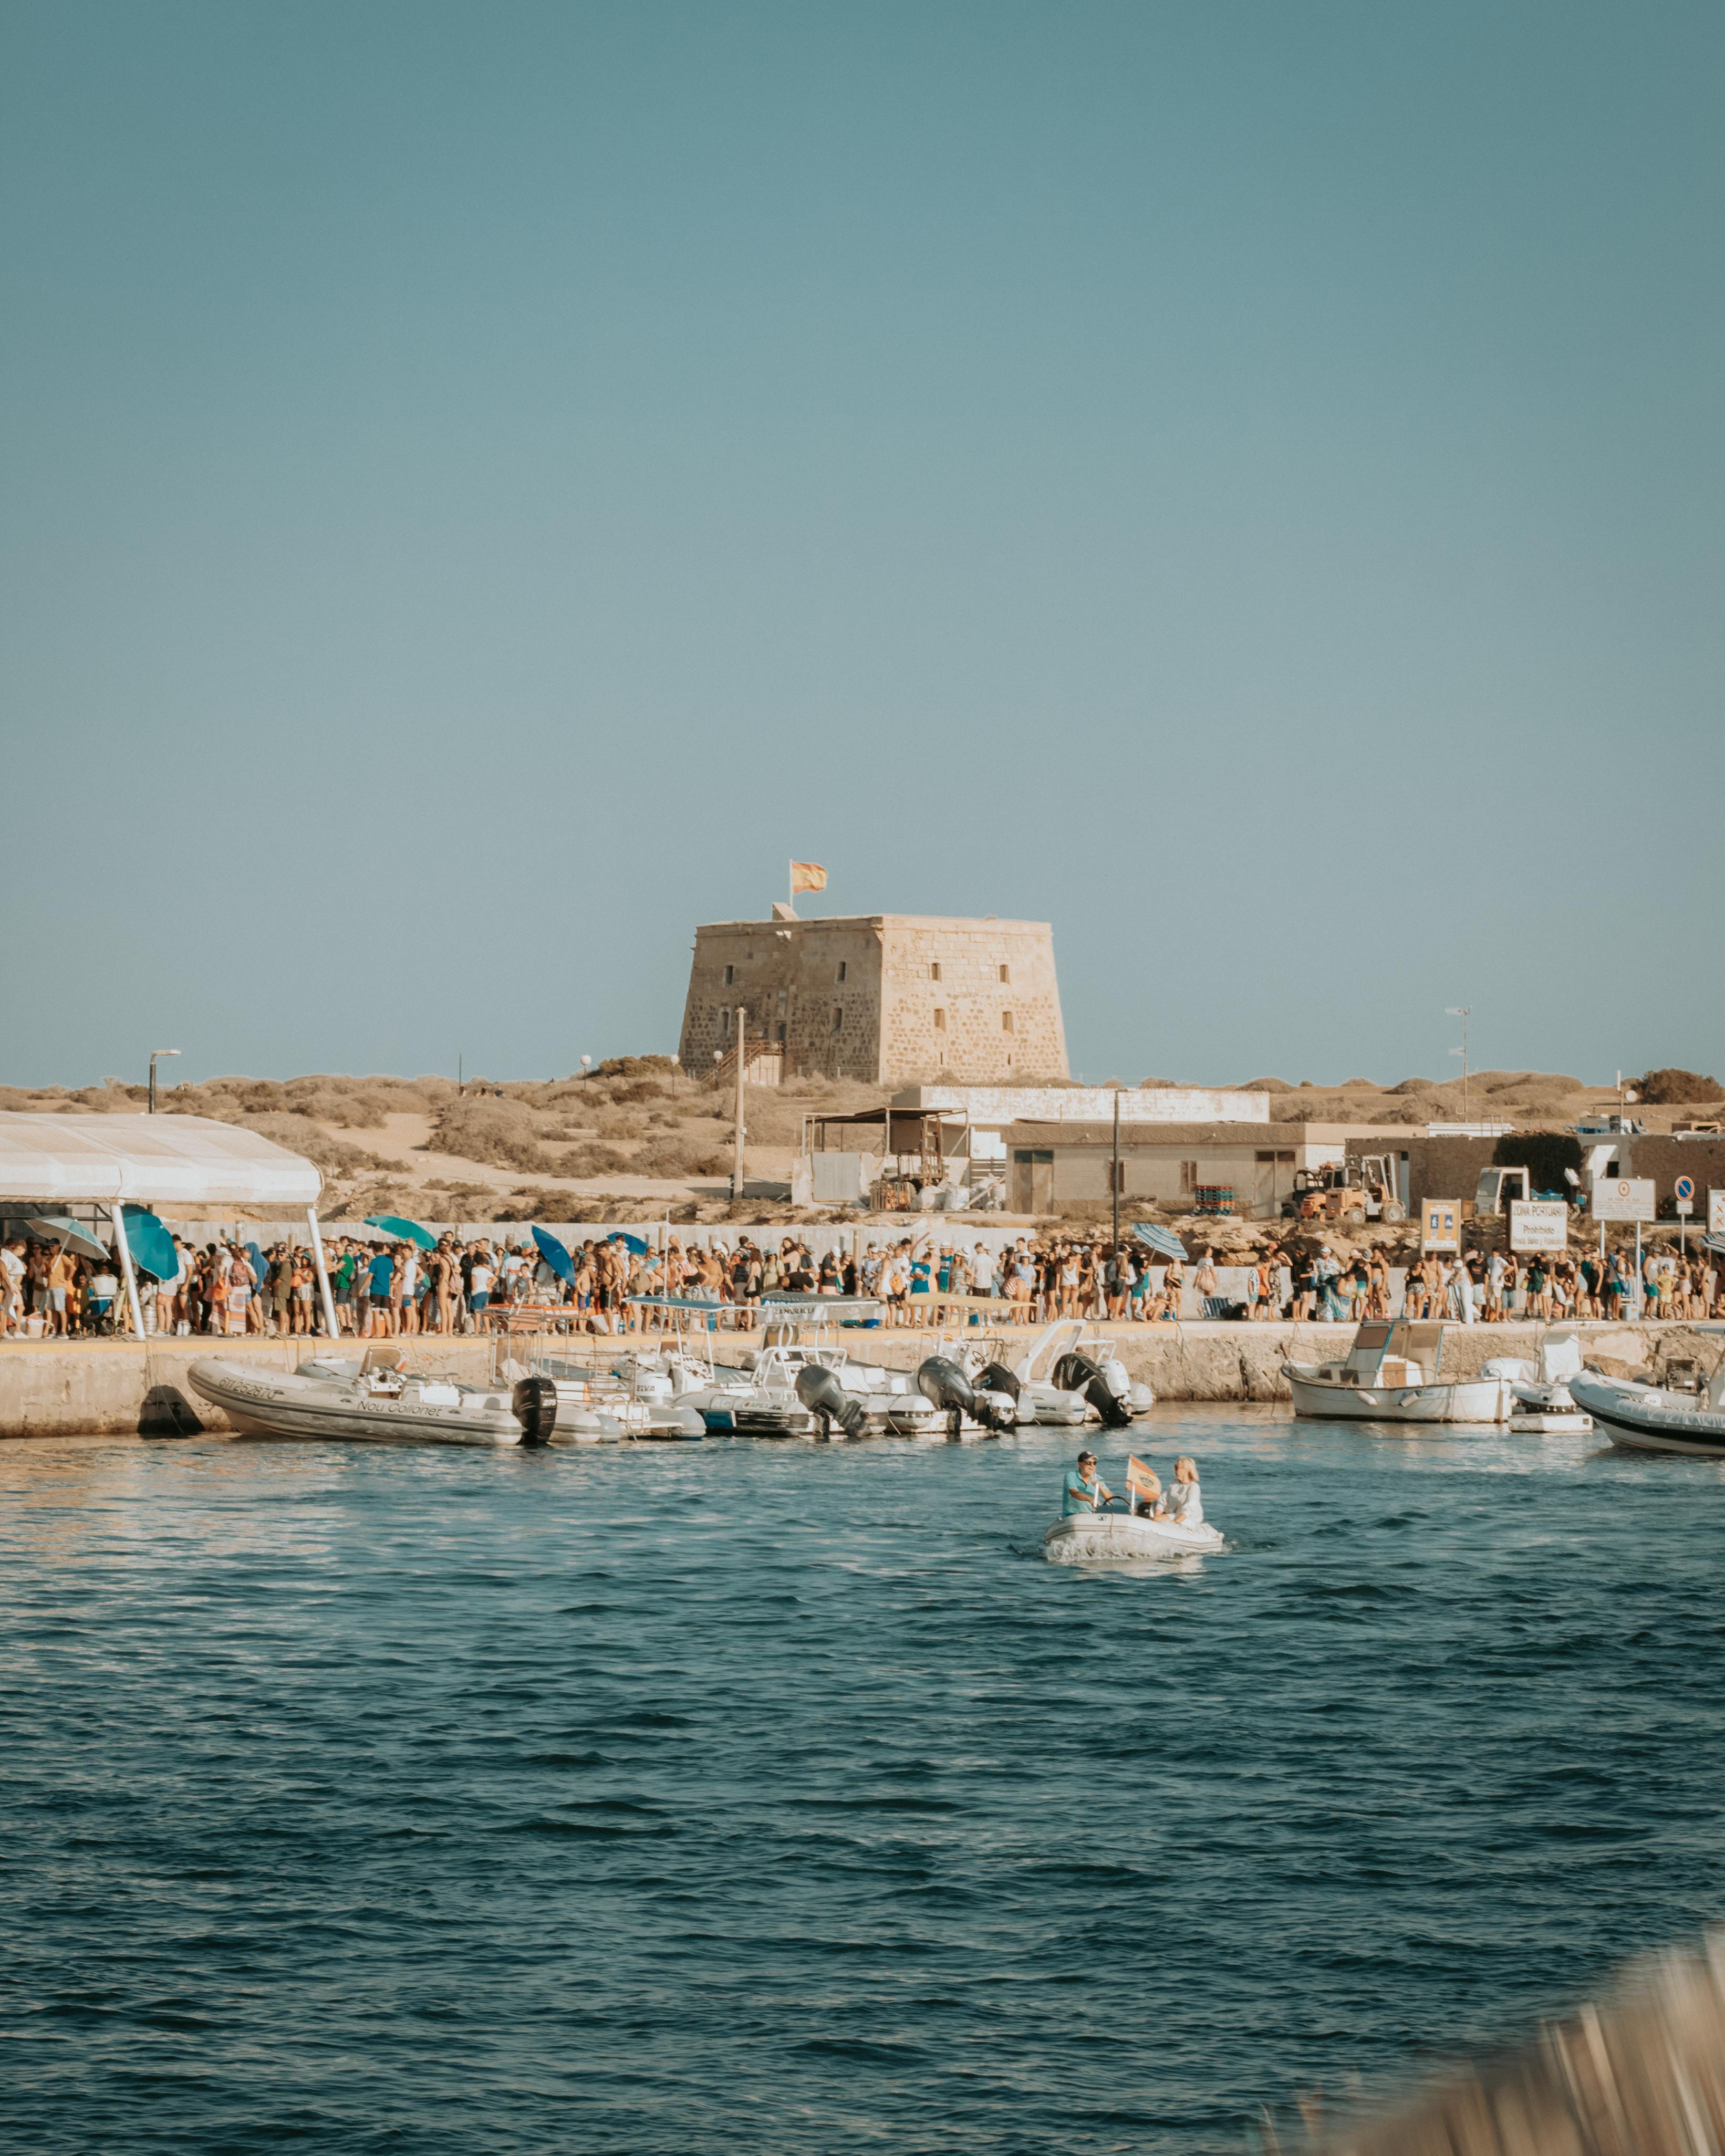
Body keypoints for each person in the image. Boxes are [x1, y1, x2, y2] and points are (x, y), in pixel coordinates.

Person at [1061, 1449, 1113, 1516]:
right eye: (1089, 1463)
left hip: (1091, 1515)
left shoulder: (1098, 1478)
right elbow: (1074, 1493)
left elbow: (1109, 1499)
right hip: (1072, 1515)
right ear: (1080, 1465)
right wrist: (1090, 1499)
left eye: (1094, 1463)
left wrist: (1100, 1488)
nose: (1092, 1466)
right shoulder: (1070, 1476)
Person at [1162, 1456, 1203, 1528]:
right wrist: (1156, 1517)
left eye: (1177, 1468)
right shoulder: (1174, 1484)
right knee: (1157, 1519)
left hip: (1188, 1518)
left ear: (1186, 1470)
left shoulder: (1194, 1487)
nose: (1174, 1470)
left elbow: (1190, 1509)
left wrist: (1175, 1522)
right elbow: (1163, 1500)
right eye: (1175, 1467)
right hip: (1175, 1514)